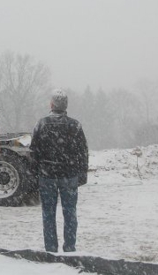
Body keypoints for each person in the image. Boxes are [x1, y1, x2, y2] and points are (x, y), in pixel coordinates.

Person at [29, 89, 89, 253]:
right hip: (69, 175)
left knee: (48, 213)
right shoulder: (75, 125)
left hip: (47, 175)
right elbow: (83, 151)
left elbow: (33, 151)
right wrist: (82, 174)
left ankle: (51, 248)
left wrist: (34, 174)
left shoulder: (41, 124)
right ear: (66, 106)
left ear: (51, 105)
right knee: (70, 213)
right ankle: (70, 247)